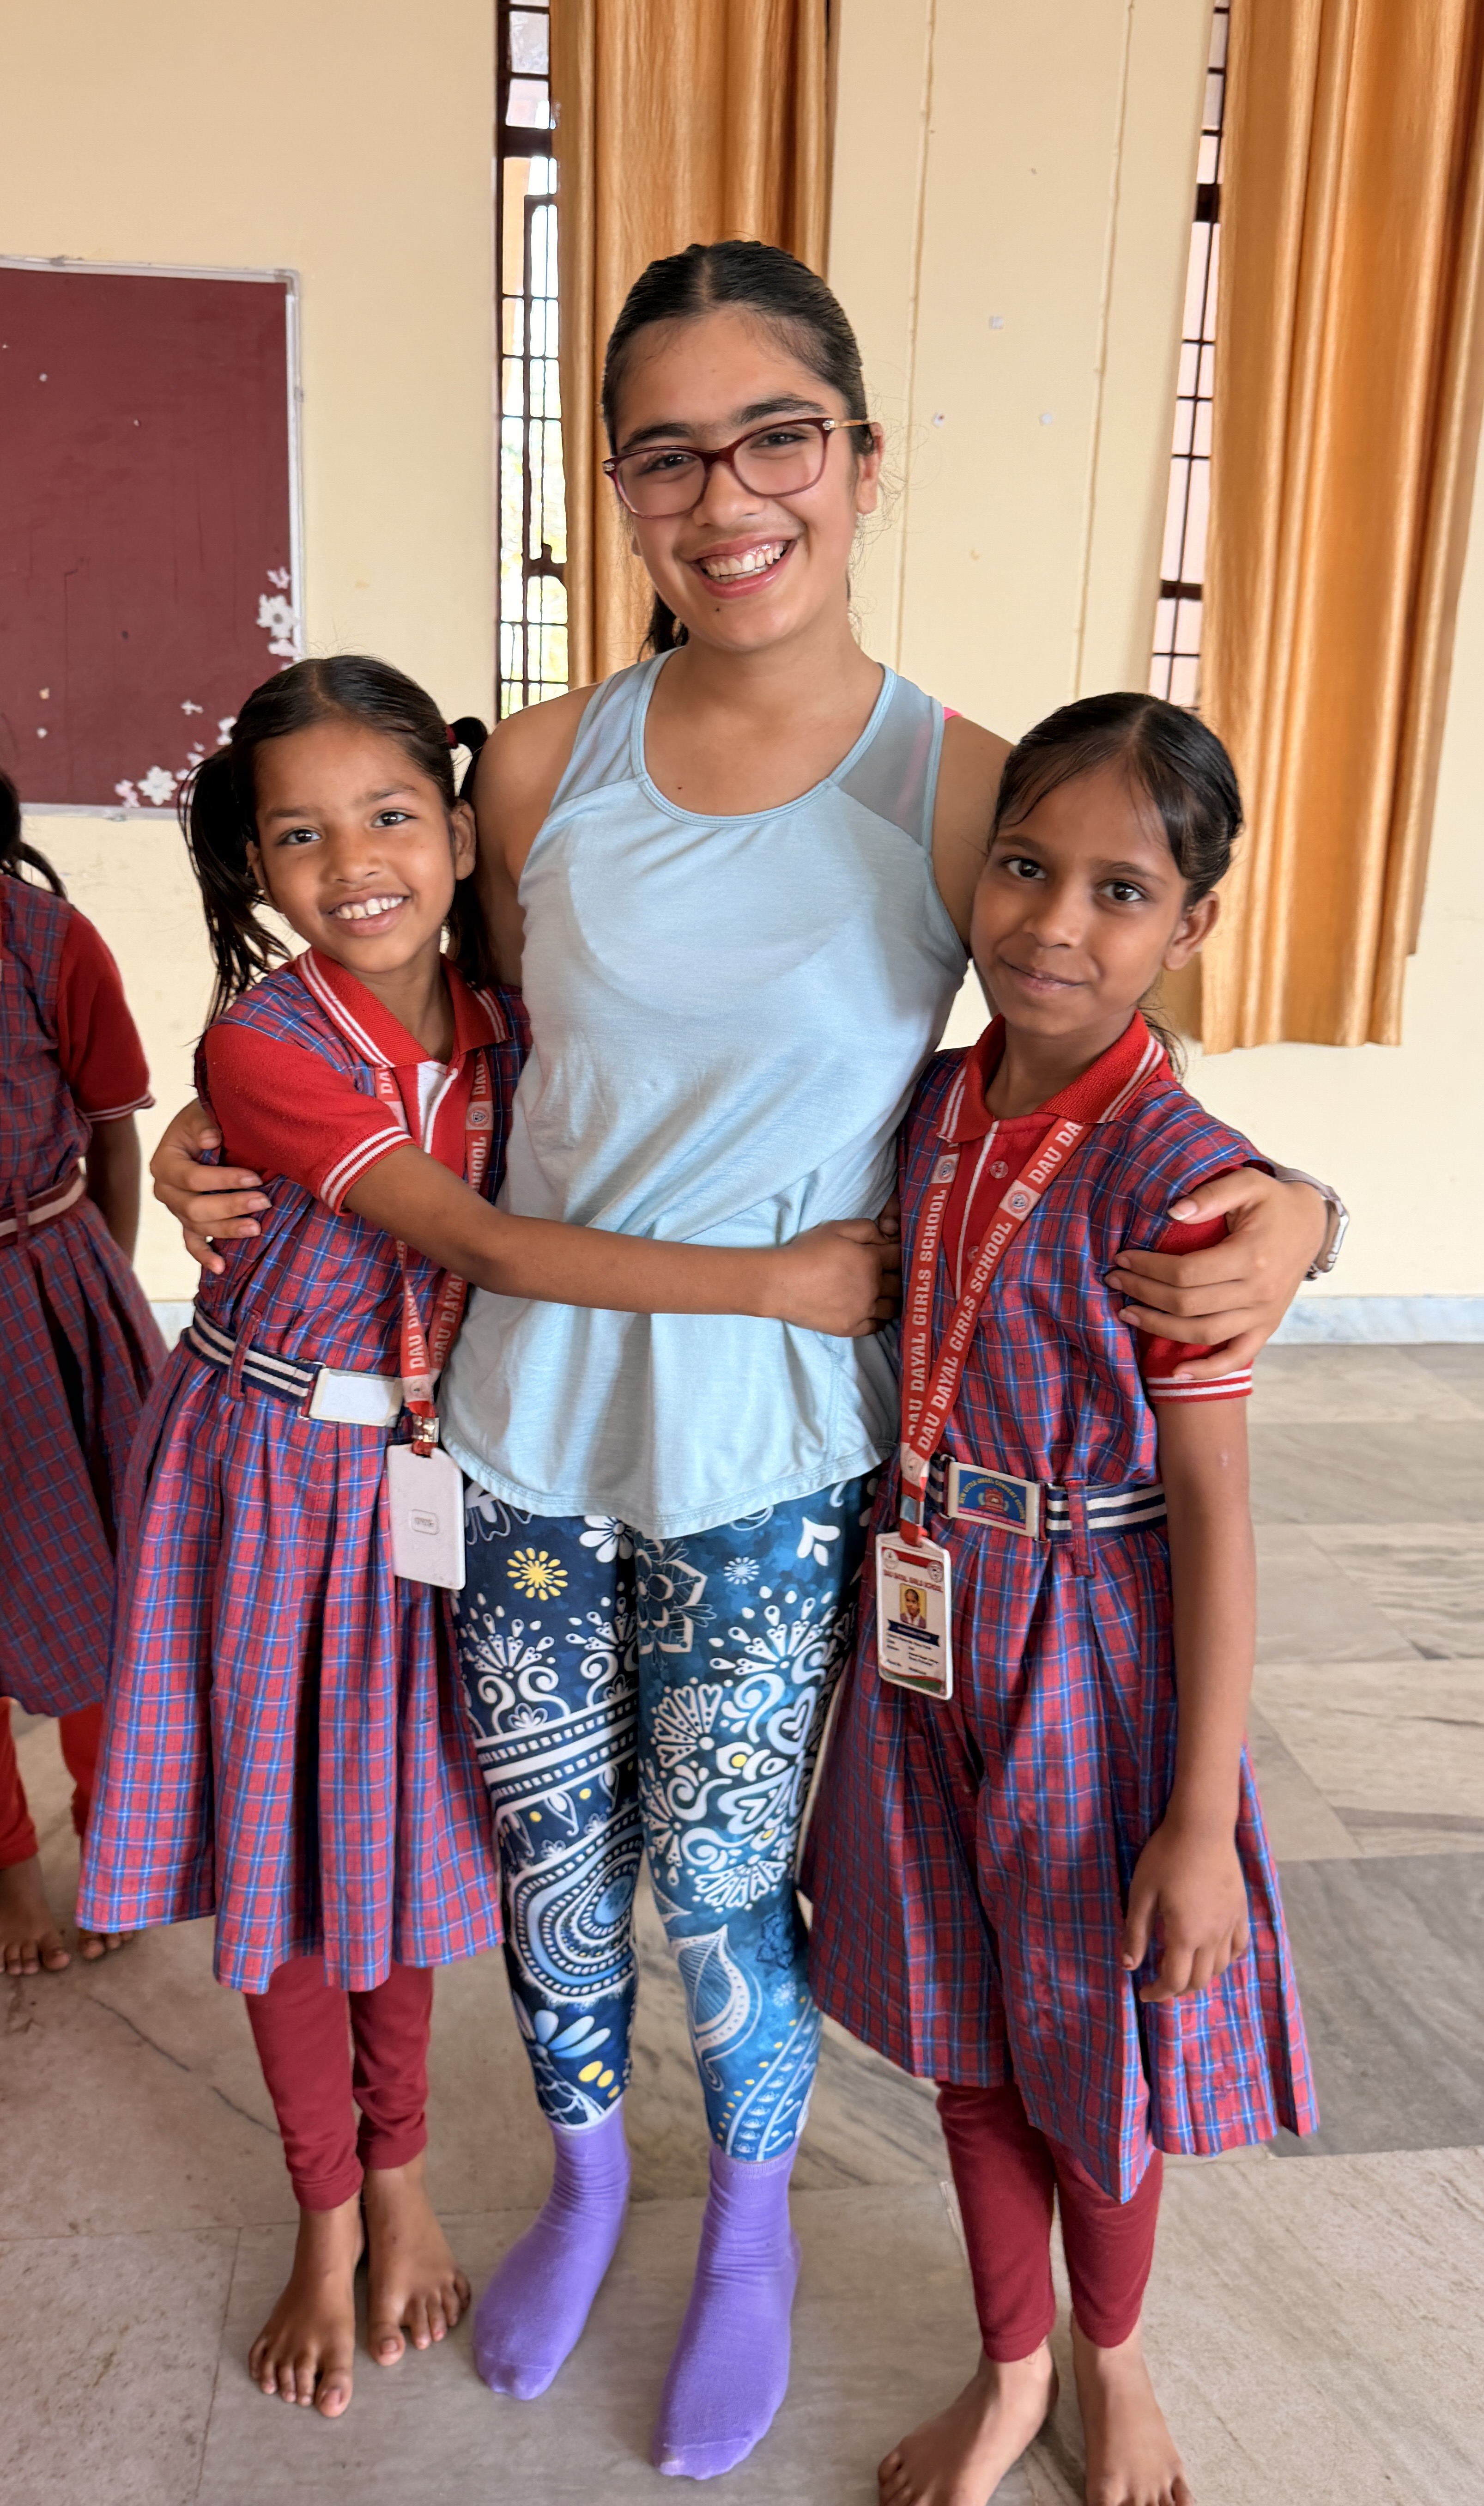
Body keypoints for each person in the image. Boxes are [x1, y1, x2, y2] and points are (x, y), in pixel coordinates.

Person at [151, 243, 1335, 2481]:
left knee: (717, 1883)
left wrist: (1302, 1208)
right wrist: (226, 1133)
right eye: (667, 455)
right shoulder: (537, 766)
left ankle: (753, 2229)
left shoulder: (959, 778)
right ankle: (589, 2187)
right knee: (553, 1873)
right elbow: (424, 1026)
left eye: (773, 437)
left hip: (786, 1462)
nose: (728, 497)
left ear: (859, 462)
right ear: (619, 490)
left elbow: (1087, 1045)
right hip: (510, 1435)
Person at [79, 653, 891, 2427]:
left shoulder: (522, 1021)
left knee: (401, 1865)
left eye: (389, 815)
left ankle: (433, 2188)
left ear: (463, 829)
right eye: (299, 837)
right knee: (288, 1881)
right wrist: (785, 1284)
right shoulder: (267, 1045)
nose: (353, 861)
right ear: (252, 873)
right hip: (275, 1489)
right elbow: (484, 1244)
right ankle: (332, 2216)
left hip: (437, 1489)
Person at [804, 693, 1318, 2506]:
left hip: (1090, 1666)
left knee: (1089, 2046)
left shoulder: (1187, 1186)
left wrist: (1193, 1817)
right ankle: (1009, 2367)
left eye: (1120, 891)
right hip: (921, 1629)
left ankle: (1113, 2361)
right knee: (962, 2023)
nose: (1053, 923)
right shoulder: (935, 1104)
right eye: (1026, 867)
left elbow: (1213, 1509)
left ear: (1192, 925)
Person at [0, 769, 164, 1977]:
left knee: (101, 1585)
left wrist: (93, 1282)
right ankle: (11, 1872)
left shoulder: (50, 943)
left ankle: (113, 1835)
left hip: (51, 1286)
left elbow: (113, 1127)